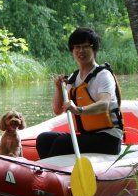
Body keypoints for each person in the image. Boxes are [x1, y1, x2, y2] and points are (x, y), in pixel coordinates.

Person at [36, 27, 123, 159]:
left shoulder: (103, 75)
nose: (81, 51)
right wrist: (59, 89)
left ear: (94, 49)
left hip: (108, 138)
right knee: (44, 139)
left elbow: (104, 104)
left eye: (85, 46)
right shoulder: (73, 77)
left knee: (62, 143)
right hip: (88, 136)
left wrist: (78, 109)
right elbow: (57, 110)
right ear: (72, 50)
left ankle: (51, 174)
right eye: (77, 47)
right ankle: (49, 174)